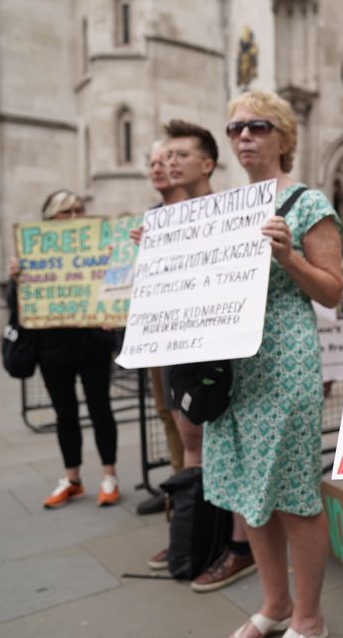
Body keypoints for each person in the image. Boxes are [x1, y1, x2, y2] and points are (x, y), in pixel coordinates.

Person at [205, 89, 343, 638]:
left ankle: (309, 618)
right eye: (235, 127)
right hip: (233, 363)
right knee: (247, 489)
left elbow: (333, 291)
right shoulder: (224, 207)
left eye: (258, 126)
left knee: (291, 490)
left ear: (284, 137)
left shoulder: (307, 203)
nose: (244, 136)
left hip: (283, 359)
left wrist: (287, 257)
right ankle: (275, 604)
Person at [136, 121, 255, 591]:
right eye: (165, 157)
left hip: (224, 349)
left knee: (230, 444)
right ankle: (192, 532)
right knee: (190, 440)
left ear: (206, 164)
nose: (168, 163)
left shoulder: (232, 210)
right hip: (178, 345)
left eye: (178, 155)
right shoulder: (158, 218)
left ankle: (238, 544)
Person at [8, 190, 121, 509]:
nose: (74, 217)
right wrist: (16, 280)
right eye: (65, 212)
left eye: (78, 210)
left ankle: (109, 475)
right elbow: (14, 306)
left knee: (101, 409)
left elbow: (113, 291)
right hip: (52, 348)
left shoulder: (98, 248)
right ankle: (72, 478)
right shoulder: (33, 255)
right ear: (50, 219)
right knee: (65, 414)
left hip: (92, 344)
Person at [136, 140, 187, 516]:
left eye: (165, 160)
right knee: (166, 412)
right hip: (158, 333)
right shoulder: (151, 217)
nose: (158, 168)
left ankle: (193, 501)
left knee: (190, 420)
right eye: (152, 163)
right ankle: (177, 490)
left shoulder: (203, 209)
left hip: (193, 335)